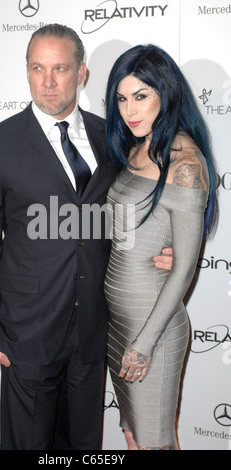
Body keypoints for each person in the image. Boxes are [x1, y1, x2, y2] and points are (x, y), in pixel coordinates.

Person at [0, 25, 172, 450]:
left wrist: (162, 249)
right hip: (27, 332)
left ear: (81, 73)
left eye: (60, 68)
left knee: (83, 445)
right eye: (38, 68)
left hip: (93, 328)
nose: (48, 80)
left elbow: (123, 216)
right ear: (26, 72)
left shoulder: (111, 137)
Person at [104, 44, 217, 451]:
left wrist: (144, 345)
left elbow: (184, 267)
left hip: (152, 330)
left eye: (141, 96)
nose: (129, 110)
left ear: (165, 94)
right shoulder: (137, 145)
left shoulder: (185, 163)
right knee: (134, 437)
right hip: (118, 324)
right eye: (121, 98)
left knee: (155, 443)